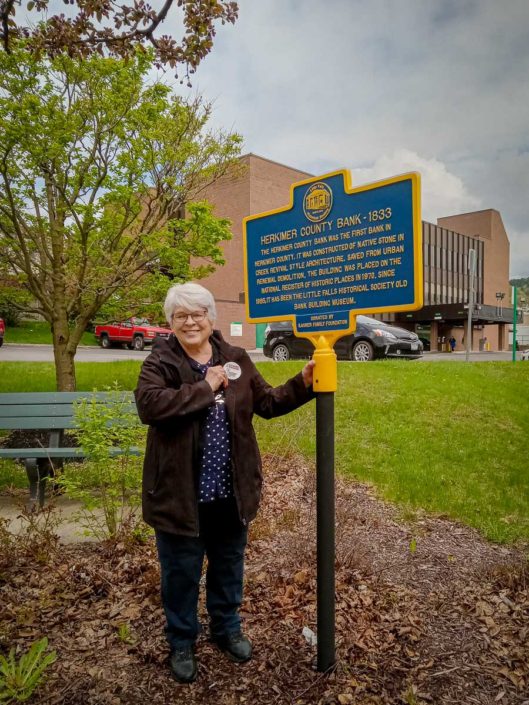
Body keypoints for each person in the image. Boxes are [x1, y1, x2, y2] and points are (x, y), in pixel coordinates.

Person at [134, 282, 315, 684]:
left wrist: (303, 381)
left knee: (228, 566)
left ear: (211, 317)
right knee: (180, 574)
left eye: (197, 312)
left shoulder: (234, 358)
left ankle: (226, 628)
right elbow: (150, 406)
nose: (190, 321)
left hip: (229, 491)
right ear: (171, 323)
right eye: (180, 315)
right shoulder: (160, 361)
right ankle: (182, 641)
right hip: (181, 495)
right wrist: (205, 387)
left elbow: (267, 403)